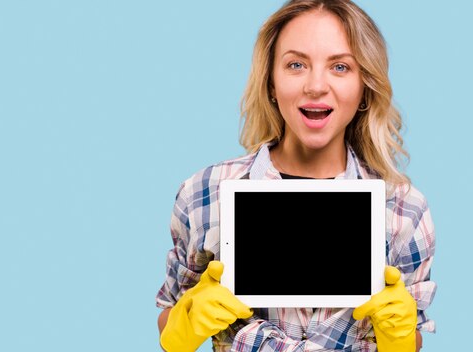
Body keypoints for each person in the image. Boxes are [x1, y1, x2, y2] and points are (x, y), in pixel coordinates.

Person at [155, 0, 436, 351]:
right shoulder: (204, 192)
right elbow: (169, 315)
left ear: (364, 85)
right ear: (271, 82)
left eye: (340, 67)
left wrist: (401, 339)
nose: (315, 86)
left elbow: (414, 335)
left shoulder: (404, 210)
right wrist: (184, 324)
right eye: (296, 64)